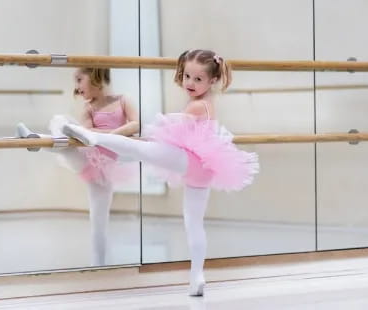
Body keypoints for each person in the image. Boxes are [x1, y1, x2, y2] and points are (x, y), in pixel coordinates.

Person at [61, 50, 259, 296]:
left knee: (139, 148)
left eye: (198, 79)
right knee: (194, 223)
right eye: (187, 76)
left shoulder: (199, 105)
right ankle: (197, 275)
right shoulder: (206, 103)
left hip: (192, 162)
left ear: (212, 81)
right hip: (202, 171)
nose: (190, 83)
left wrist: (159, 125)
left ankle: (93, 136)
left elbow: (174, 128)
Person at [17, 67, 139, 267]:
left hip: (106, 168)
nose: (77, 87)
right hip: (87, 156)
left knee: (99, 222)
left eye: (79, 80)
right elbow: (89, 135)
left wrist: (110, 135)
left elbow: (135, 124)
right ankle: (35, 138)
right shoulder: (88, 108)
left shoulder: (123, 100)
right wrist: (95, 135)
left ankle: (99, 263)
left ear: (95, 77)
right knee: (66, 139)